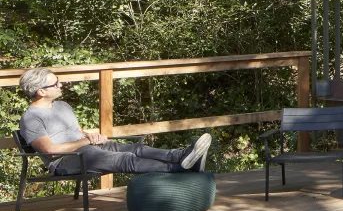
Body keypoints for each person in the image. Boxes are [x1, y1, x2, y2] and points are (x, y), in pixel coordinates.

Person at [17, 68, 211, 175]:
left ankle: (180, 155)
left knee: (136, 149)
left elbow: (77, 132)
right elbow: (50, 151)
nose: (61, 85)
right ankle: (180, 169)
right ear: (41, 91)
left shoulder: (62, 106)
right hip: (65, 161)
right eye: (55, 83)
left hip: (86, 149)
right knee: (124, 159)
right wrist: (86, 141)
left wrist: (89, 135)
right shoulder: (31, 118)